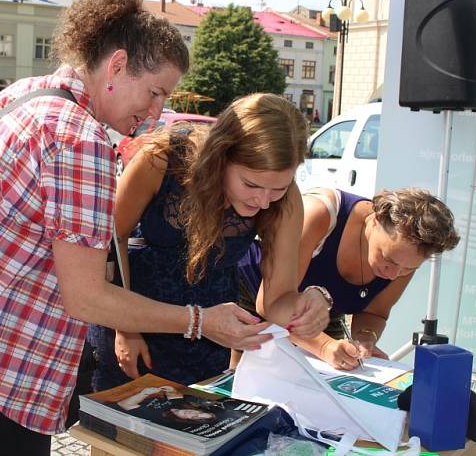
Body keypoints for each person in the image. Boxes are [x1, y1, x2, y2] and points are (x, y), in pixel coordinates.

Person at [0, 0, 273, 456]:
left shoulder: (22, 95)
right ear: (118, 65)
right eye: (153, 94)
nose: (154, 116)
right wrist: (199, 321)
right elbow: (86, 297)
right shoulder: (79, 140)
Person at [87, 93, 333, 393]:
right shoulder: (161, 159)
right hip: (135, 321)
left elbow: (276, 300)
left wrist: (311, 303)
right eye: (251, 184)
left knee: (194, 429)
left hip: (211, 335)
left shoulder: (286, 201)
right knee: (118, 431)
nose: (264, 200)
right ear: (221, 156)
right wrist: (125, 328)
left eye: (278, 188)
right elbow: (111, 243)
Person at [237, 187, 460, 370]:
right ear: (374, 220)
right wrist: (324, 347)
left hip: (321, 315)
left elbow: (374, 312)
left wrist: (365, 339)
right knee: (242, 381)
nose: (393, 274)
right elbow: (271, 303)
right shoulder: (320, 215)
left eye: (408, 269)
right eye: (387, 258)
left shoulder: (404, 257)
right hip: (252, 293)